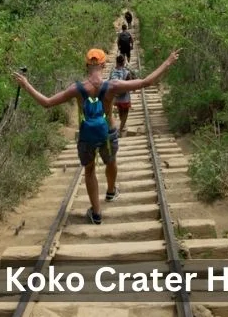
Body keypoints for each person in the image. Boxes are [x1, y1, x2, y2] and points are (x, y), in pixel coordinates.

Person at [12, 47, 179, 224]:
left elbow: (47, 103)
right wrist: (168, 62)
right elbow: (145, 82)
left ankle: (97, 212)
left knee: (89, 170)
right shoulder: (113, 85)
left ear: (86, 65)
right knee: (111, 161)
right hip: (108, 131)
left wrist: (26, 84)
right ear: (103, 64)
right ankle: (111, 190)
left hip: (86, 135)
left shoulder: (77, 88)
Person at [109, 54, 136, 135]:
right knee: (125, 112)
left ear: (116, 62)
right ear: (123, 62)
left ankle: (121, 125)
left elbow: (110, 82)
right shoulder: (126, 72)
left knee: (121, 111)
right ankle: (120, 130)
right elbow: (130, 83)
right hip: (125, 97)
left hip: (116, 97)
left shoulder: (113, 71)